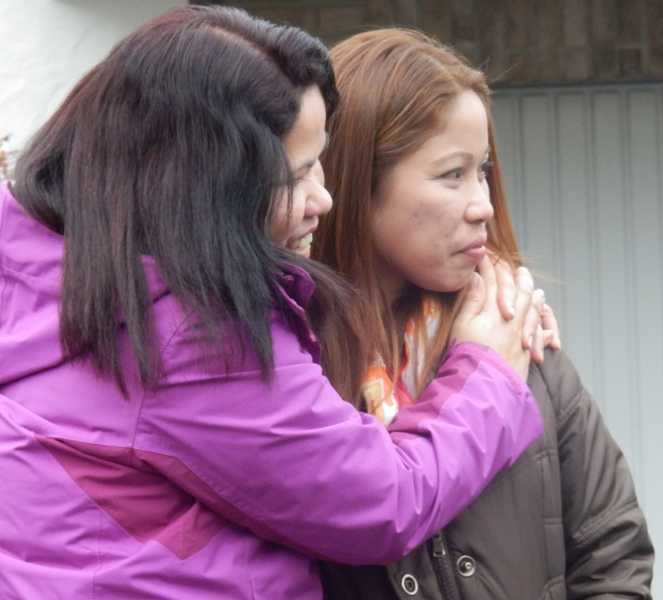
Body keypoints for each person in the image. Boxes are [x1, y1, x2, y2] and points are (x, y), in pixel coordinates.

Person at [0, 8, 548, 599]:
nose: (324, 198)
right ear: (203, 185)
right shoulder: (189, 338)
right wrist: (487, 372)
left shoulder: (38, 271)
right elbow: (384, 501)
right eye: (296, 175)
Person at [313, 29, 655, 599]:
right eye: (453, 174)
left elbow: (613, 554)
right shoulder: (294, 373)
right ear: (356, 181)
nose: (484, 206)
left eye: (483, 171)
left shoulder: (520, 341)